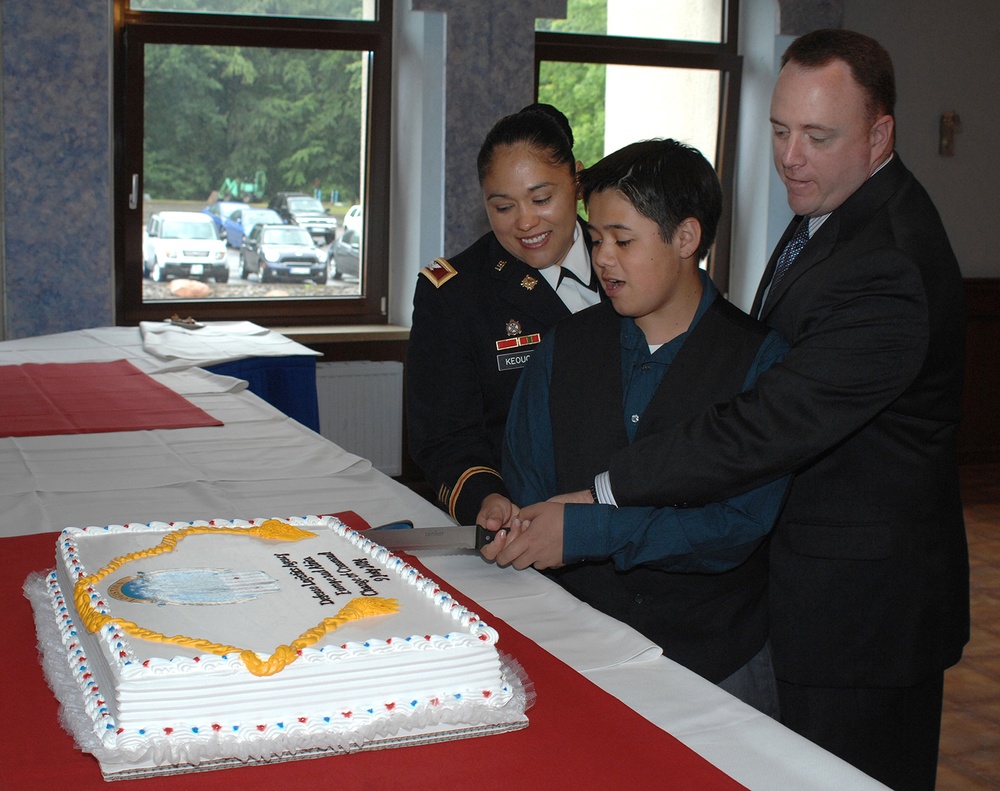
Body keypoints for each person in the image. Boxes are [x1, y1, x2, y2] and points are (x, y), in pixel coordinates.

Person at [493, 30, 967, 791]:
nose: (790, 156)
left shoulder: (889, 260)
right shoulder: (835, 208)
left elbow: (764, 424)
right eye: (780, 130)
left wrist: (605, 491)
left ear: (880, 134)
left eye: (817, 135)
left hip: (861, 612)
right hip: (807, 595)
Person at [479, 139, 791, 715]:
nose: (603, 259)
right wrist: (517, 520)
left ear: (686, 238)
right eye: (595, 240)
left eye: (623, 241)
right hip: (577, 648)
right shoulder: (565, 346)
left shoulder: (758, 359)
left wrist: (589, 531)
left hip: (713, 662)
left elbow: (735, 526)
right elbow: (530, 478)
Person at [406, 104, 601, 526]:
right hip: (525, 523)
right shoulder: (457, 295)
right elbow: (444, 437)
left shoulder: (628, 260)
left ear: (578, 181)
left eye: (542, 199)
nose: (526, 222)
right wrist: (485, 499)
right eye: (503, 207)